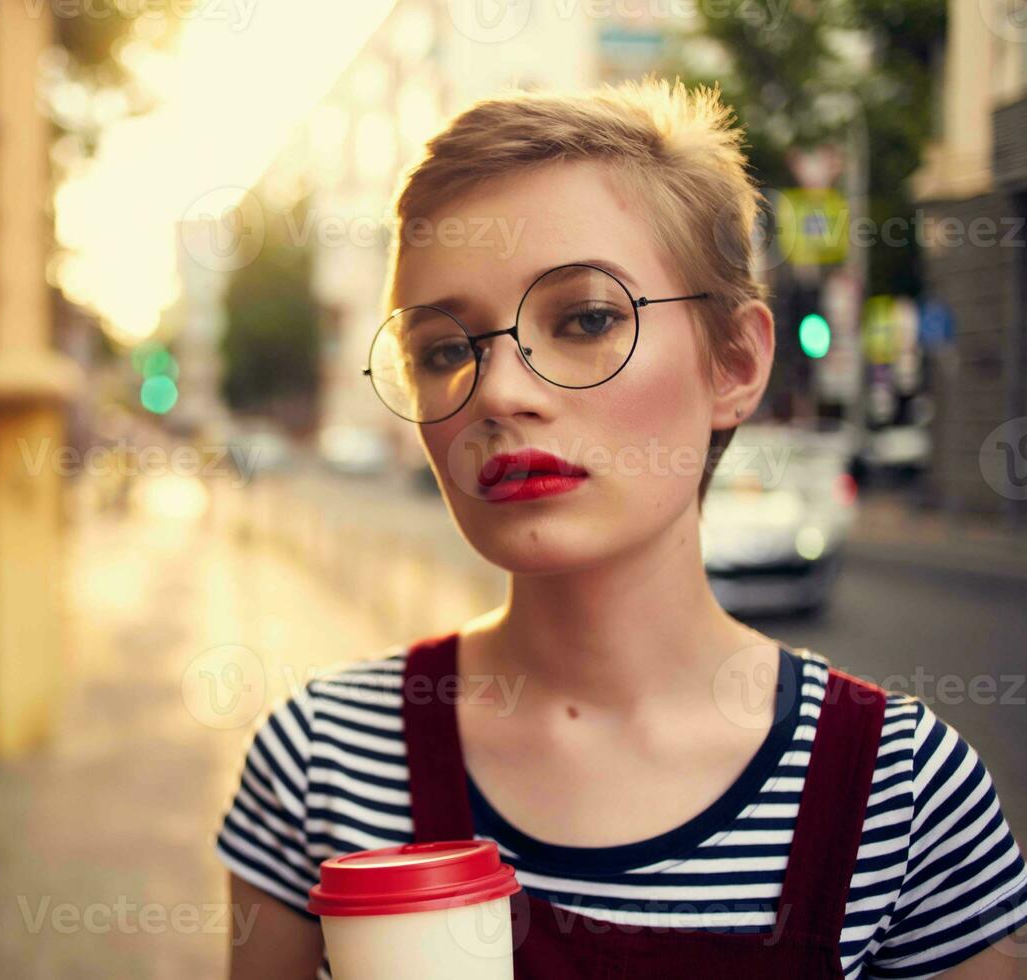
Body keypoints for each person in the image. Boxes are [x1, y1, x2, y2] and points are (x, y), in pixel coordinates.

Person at [215, 78, 1027, 978]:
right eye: (444, 350)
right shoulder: (320, 762)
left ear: (735, 362)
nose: (500, 391)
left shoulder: (902, 795)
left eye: (588, 319)